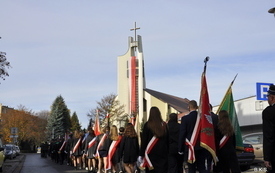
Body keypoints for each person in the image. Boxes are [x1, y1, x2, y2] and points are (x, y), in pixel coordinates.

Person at [178, 100, 210, 173]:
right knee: (202, 167)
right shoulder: (202, 118)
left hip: (190, 146)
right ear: (196, 107)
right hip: (201, 145)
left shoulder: (185, 118)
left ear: (189, 107)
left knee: (191, 168)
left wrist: (180, 148)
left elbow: (182, 134)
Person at [139, 106, 169, 173]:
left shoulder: (147, 125)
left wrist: (141, 153)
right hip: (163, 153)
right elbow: (167, 140)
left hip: (151, 153)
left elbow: (144, 141)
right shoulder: (164, 125)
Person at [262, 84, 275, 172]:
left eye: (267, 96)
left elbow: (268, 136)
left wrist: (267, 158)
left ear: (272, 97)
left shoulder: (268, 112)